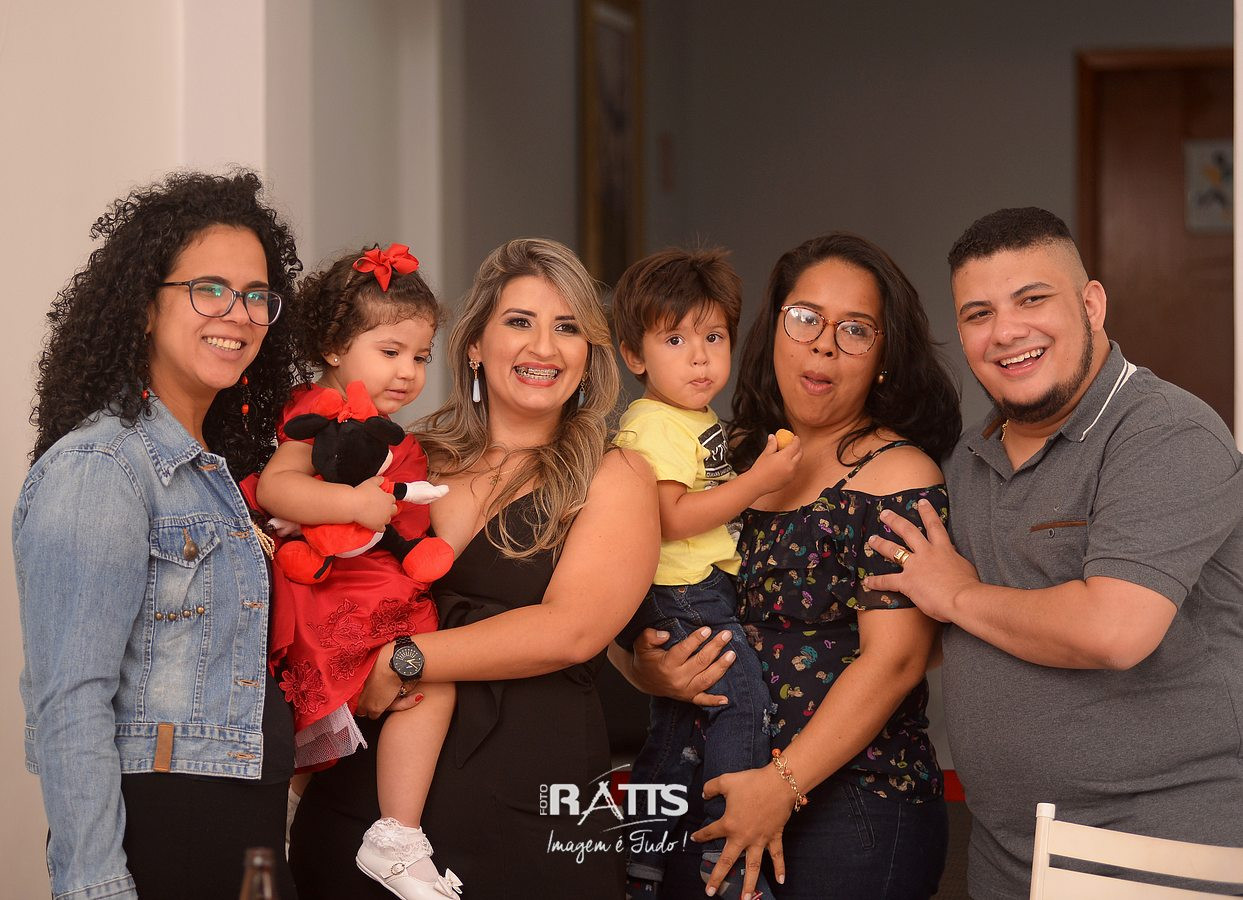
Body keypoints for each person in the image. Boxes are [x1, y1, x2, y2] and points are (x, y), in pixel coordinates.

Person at [866, 207, 1243, 900]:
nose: (1006, 331)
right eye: (978, 314)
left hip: (1153, 855)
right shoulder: (965, 461)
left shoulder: (1166, 434)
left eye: (1032, 299)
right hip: (1006, 856)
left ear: (1091, 305)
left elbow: (1114, 630)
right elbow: (922, 638)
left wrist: (957, 594)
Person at [288, 237, 660, 900]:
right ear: (474, 346)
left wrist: (405, 659)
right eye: (519, 321)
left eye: (567, 327)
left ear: (588, 353)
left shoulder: (617, 474)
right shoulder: (405, 455)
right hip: (361, 811)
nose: (544, 347)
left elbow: (571, 631)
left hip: (526, 818)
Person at [616, 233, 962, 899]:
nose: (824, 345)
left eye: (855, 330)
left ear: (884, 355)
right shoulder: (729, 455)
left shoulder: (899, 474)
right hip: (709, 788)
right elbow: (627, 582)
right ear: (773, 330)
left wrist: (779, 786)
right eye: (805, 318)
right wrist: (642, 668)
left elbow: (895, 661)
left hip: (851, 802)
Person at [13, 171, 304, 899]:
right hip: (164, 838)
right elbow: (70, 703)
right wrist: (97, 886)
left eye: (256, 296)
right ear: (145, 306)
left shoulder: (216, 473)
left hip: (244, 829)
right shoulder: (103, 466)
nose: (238, 314)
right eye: (210, 289)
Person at [253, 243, 459, 899]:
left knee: (419, 685)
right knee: (427, 682)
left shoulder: (385, 430)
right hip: (330, 594)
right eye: (390, 351)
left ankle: (375, 828)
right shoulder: (320, 414)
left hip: (365, 588)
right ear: (335, 347)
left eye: (420, 356)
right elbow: (277, 488)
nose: (408, 371)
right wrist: (352, 504)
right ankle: (389, 833)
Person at [609, 247, 800, 899]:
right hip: (681, 590)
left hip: (691, 587)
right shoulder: (655, 425)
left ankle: (644, 861)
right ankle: (730, 850)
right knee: (743, 703)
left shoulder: (690, 419)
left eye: (713, 338)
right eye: (675, 340)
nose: (699, 357)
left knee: (674, 728)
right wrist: (758, 481)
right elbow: (671, 518)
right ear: (634, 356)